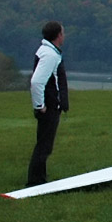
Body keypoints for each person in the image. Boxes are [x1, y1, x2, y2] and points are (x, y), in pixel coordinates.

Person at [26, 21, 69, 187]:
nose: (64, 36)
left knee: (44, 145)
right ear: (58, 35)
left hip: (49, 106)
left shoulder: (48, 51)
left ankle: (40, 177)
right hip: (49, 108)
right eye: (63, 33)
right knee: (44, 146)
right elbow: (37, 82)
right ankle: (35, 181)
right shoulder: (50, 55)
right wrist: (40, 106)